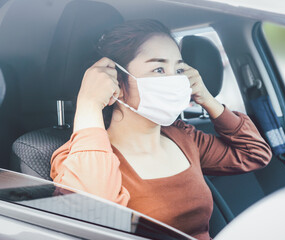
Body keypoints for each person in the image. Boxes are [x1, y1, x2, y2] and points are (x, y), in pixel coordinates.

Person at [50, 19, 272, 240]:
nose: (174, 80)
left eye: (178, 69)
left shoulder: (182, 136)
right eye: (158, 69)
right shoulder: (76, 158)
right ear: (116, 81)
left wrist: (206, 98)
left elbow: (254, 153)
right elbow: (93, 221)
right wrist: (89, 103)